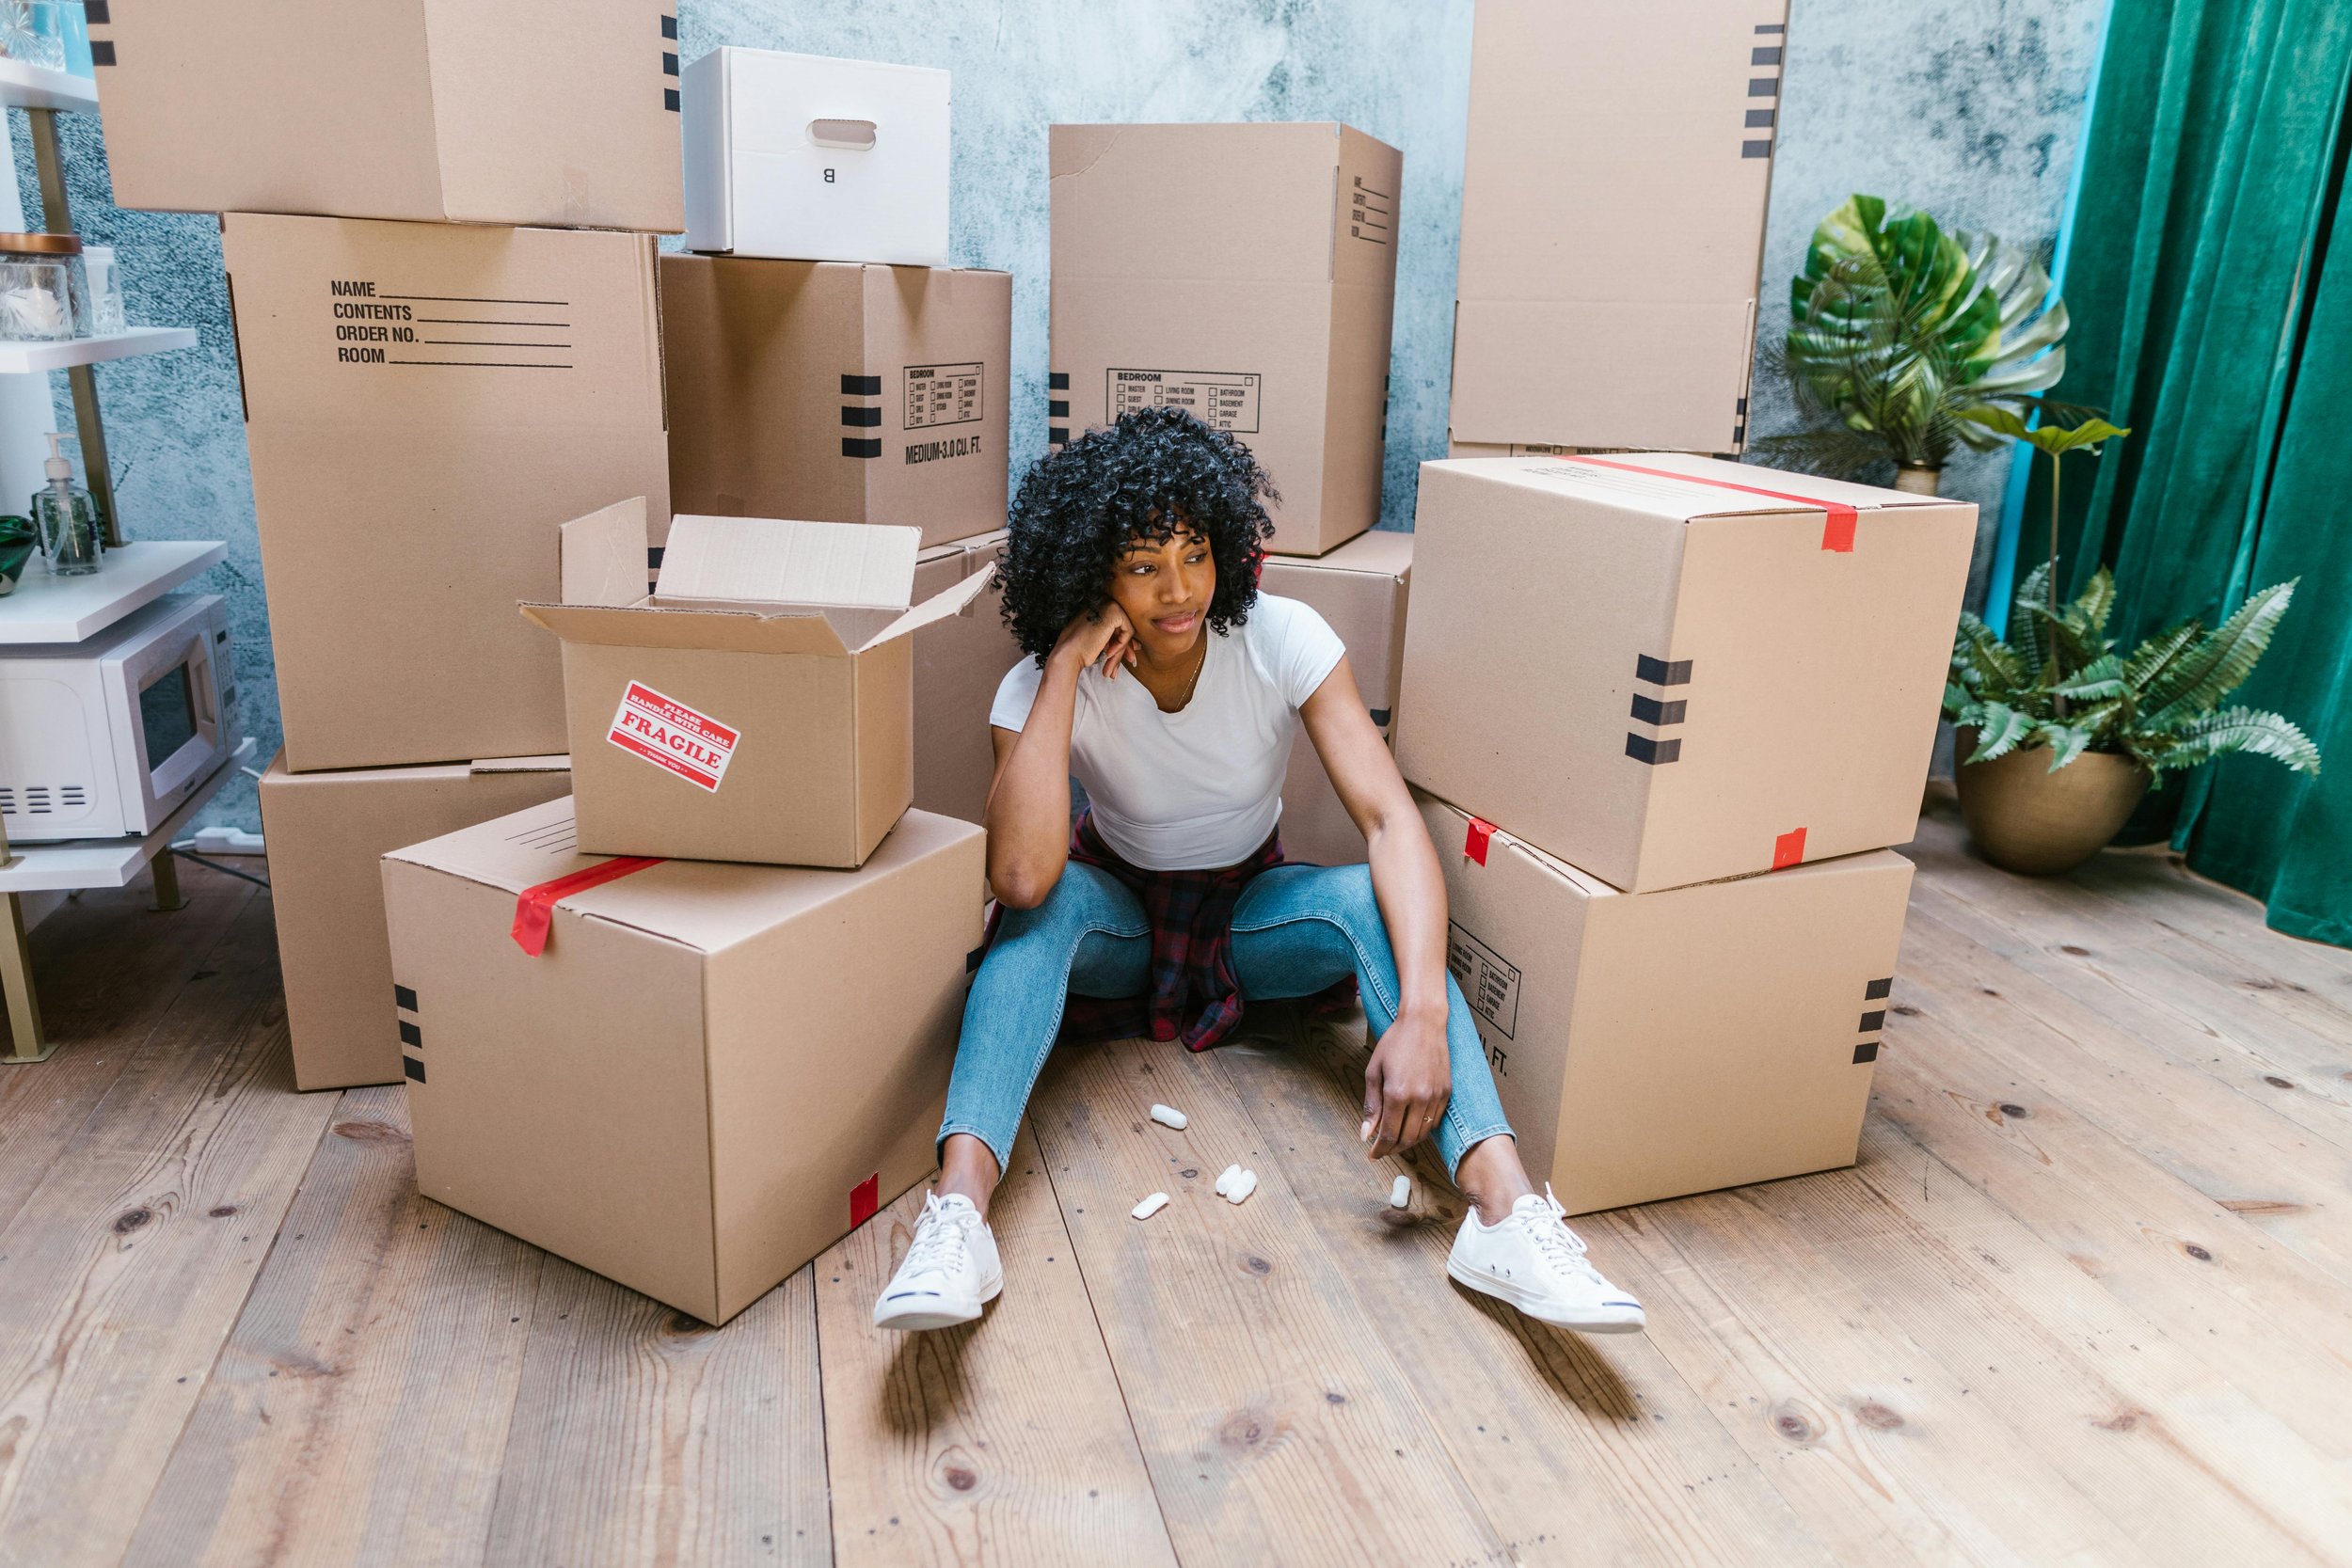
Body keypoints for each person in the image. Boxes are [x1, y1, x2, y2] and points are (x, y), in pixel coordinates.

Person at [872, 407, 1644, 1336]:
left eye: (1195, 553)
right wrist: (1068, 666)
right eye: (1143, 563)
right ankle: (957, 1218)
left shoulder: (1283, 636)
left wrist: (1422, 1015)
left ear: (1227, 547)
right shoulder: (1038, 685)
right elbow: (1023, 874)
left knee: (1367, 895)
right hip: (1114, 915)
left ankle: (1505, 1215)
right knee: (1034, 918)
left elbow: (1390, 817)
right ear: (1090, 574)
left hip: (1250, 914)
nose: (1177, 587)